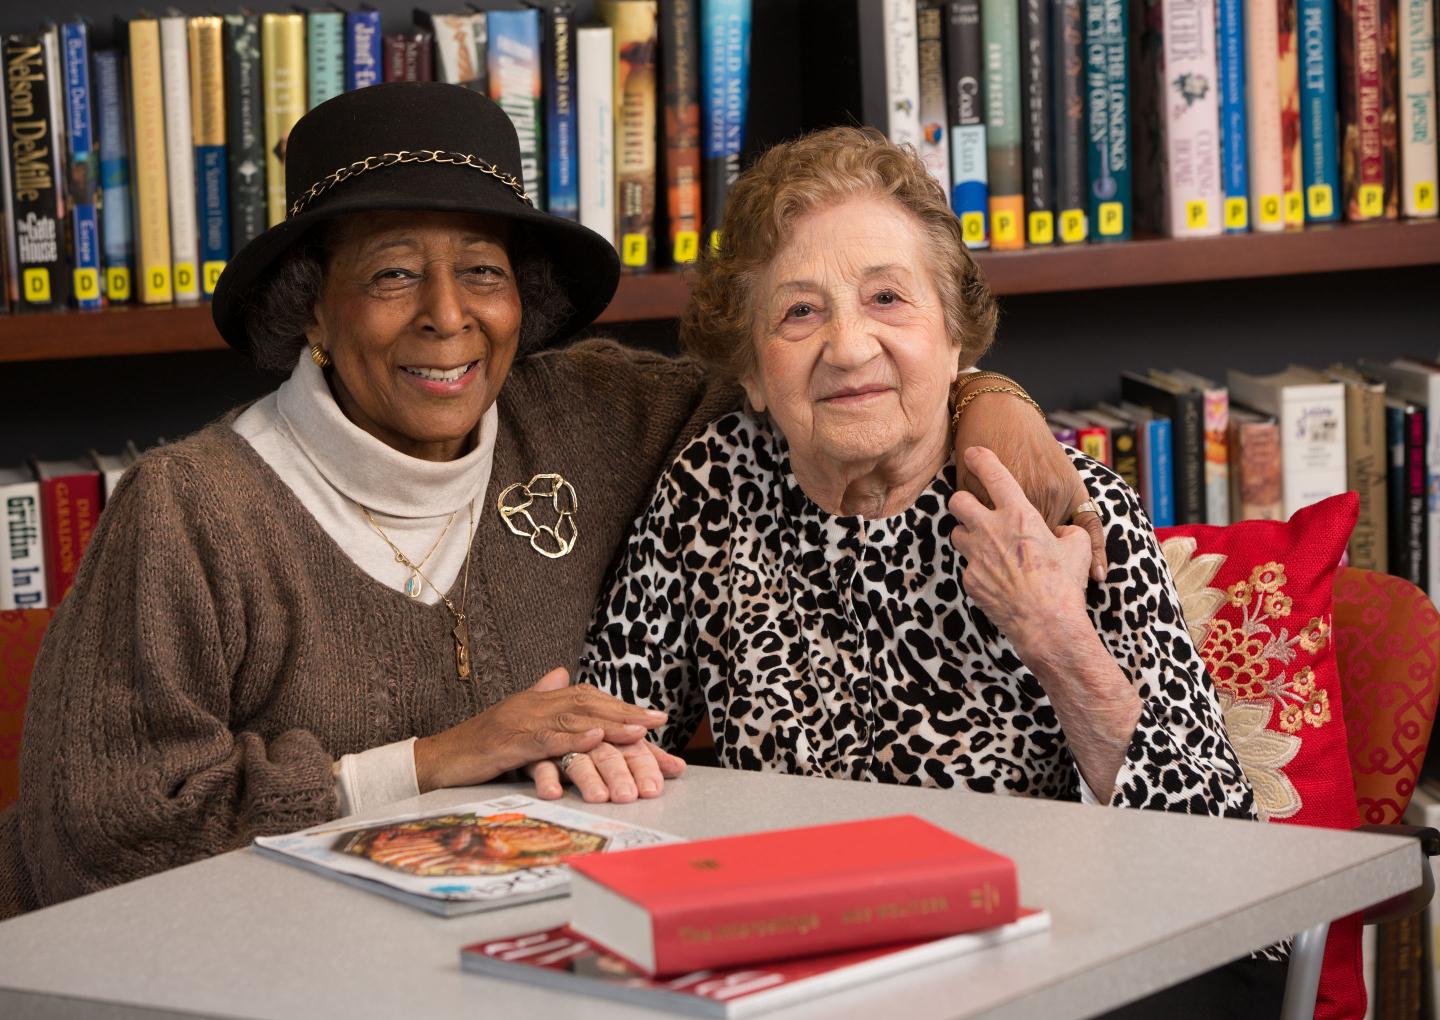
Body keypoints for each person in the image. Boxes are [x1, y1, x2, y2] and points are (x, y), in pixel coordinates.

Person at [0, 85, 1090, 918]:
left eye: (481, 272)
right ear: (310, 313)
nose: (445, 317)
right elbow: (96, 836)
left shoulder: (584, 414)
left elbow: (818, 380)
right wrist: (432, 763)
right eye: (390, 274)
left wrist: (988, 396)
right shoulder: (191, 511)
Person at [579, 127, 1256, 817]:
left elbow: (1228, 851)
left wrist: (1057, 635)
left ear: (955, 333)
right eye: (800, 311)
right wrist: (595, 754)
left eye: (887, 298)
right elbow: (610, 731)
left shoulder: (1062, 512)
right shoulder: (712, 490)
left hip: (1025, 911)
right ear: (751, 371)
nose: (846, 348)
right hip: (797, 907)